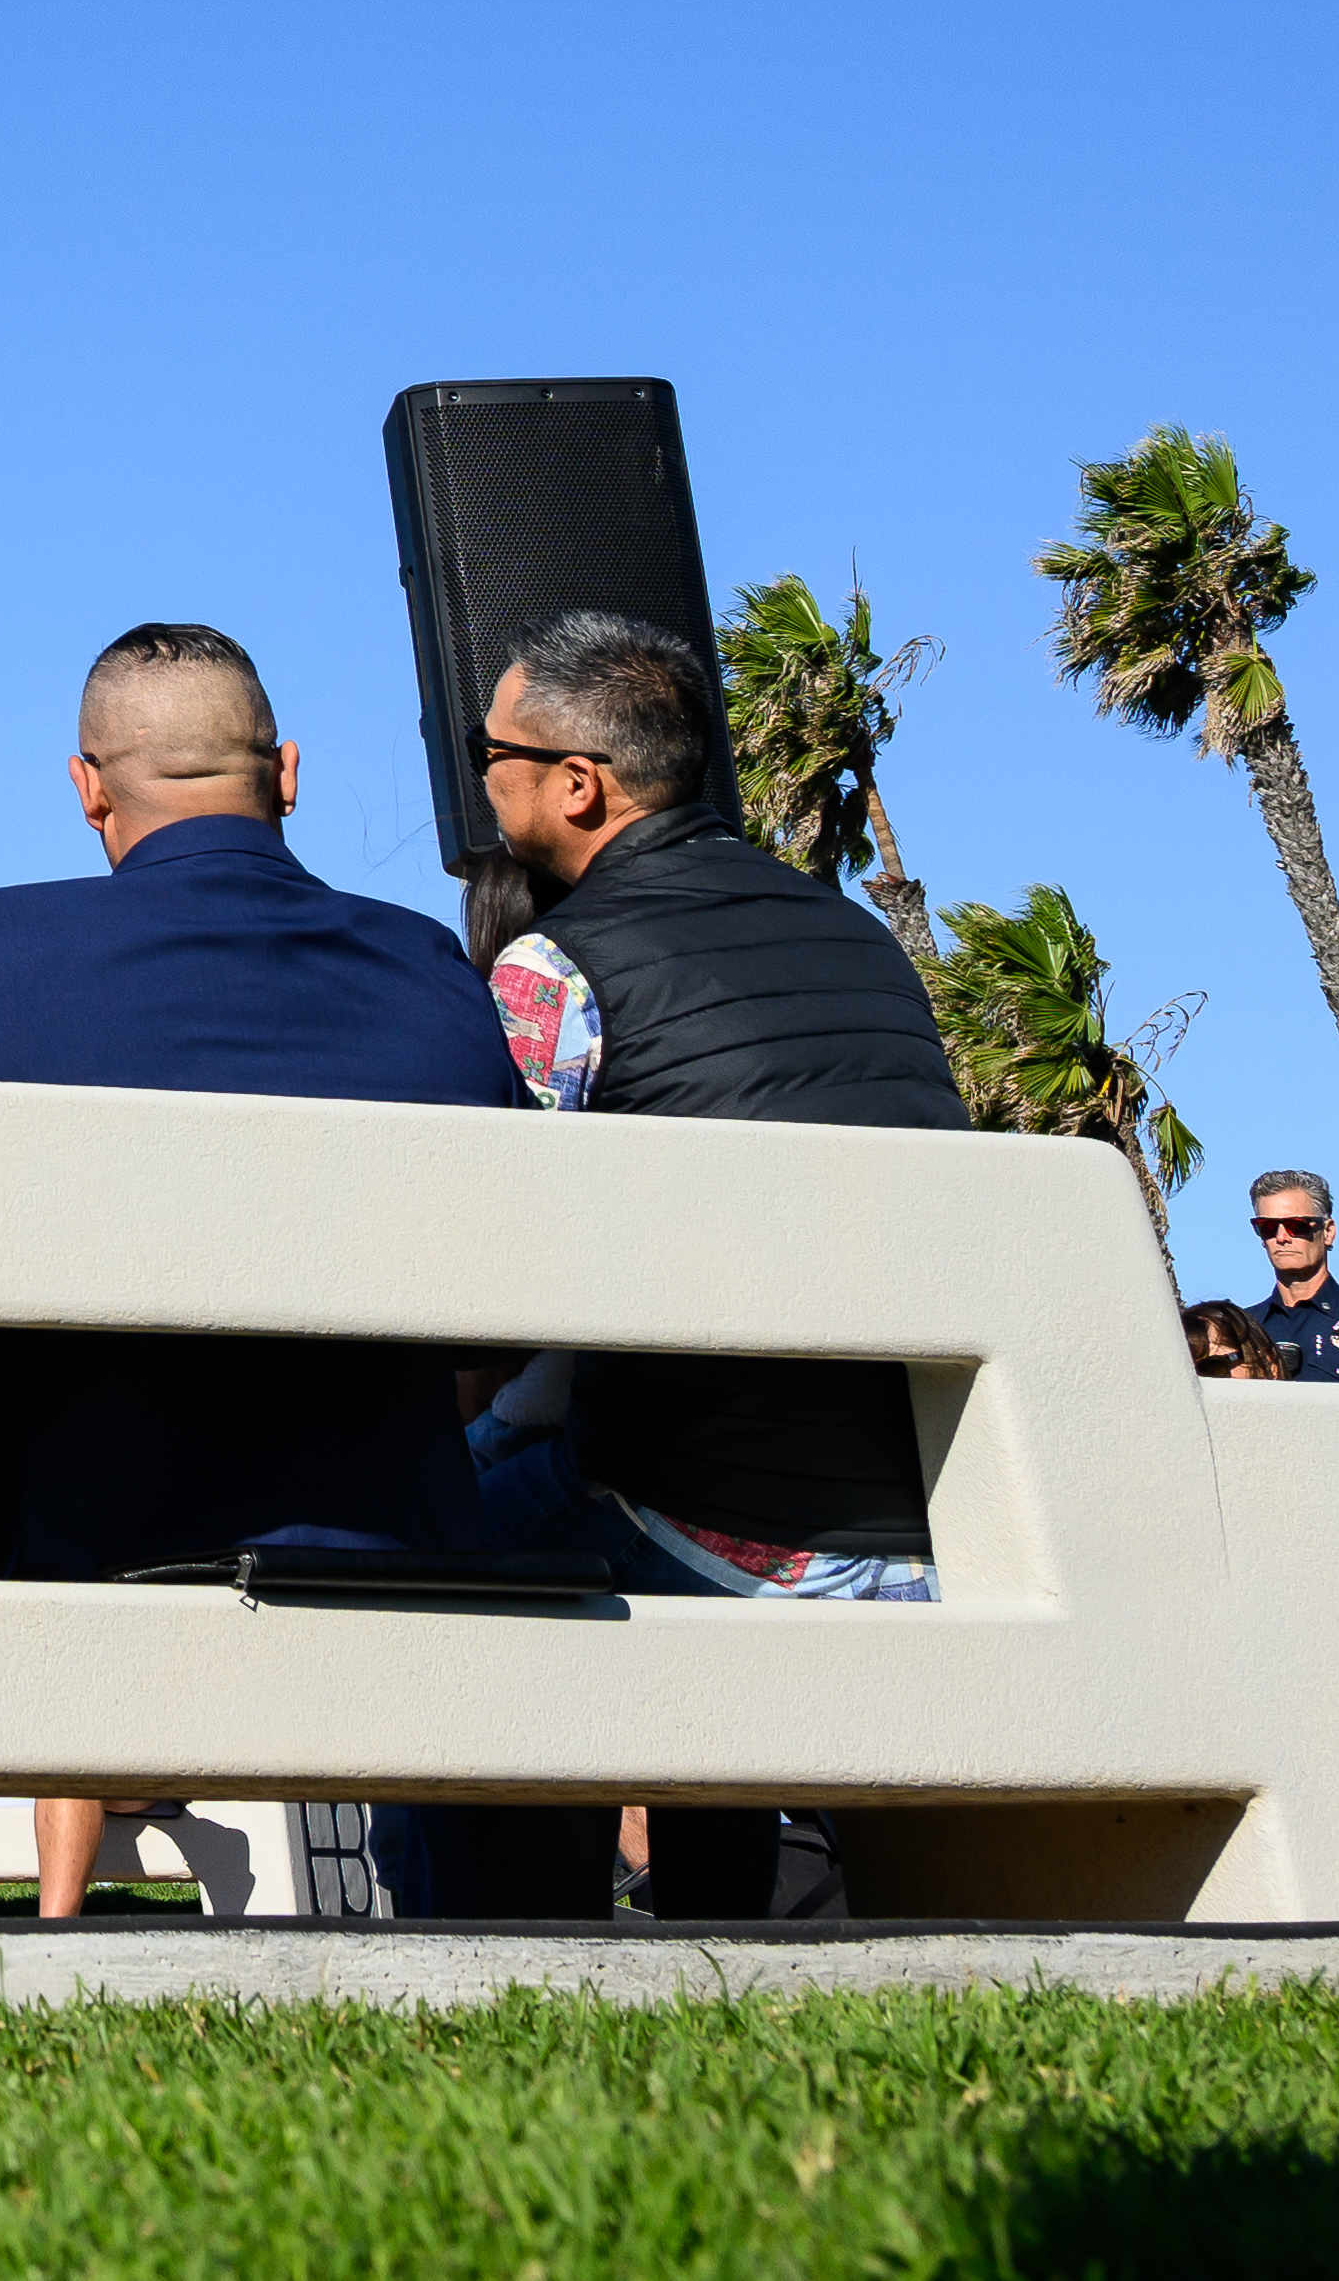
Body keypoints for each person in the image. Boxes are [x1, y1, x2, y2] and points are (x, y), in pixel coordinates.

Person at [467, 607, 969, 1928]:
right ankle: (712, 1907)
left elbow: (486, 1260)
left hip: (718, 1525)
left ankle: (515, 1940)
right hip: (918, 1510)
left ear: (578, 783)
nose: (483, 776)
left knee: (435, 1529)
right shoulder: (858, 939)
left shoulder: (555, 965)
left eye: (492, 750)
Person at [0, 620, 525, 1579]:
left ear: (88, 788)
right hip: (397, 1569)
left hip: (81, 1568)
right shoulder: (424, 967)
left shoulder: (0, 958)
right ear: (288, 774)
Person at [1233, 1174, 1339, 1394]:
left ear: (1327, 1232)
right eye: (1267, 1227)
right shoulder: (1243, 1330)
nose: (1281, 1237)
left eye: (1296, 1225)